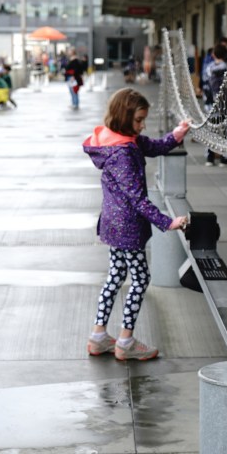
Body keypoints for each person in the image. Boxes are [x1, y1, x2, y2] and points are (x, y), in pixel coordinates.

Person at [83, 88, 190, 361]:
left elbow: (152, 146)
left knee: (116, 276)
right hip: (127, 227)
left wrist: (176, 135)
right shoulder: (123, 154)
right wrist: (168, 222)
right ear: (124, 116)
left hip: (112, 223)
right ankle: (126, 340)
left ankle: (98, 337)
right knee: (140, 279)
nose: (143, 125)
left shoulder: (118, 142)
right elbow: (138, 200)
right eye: (139, 120)